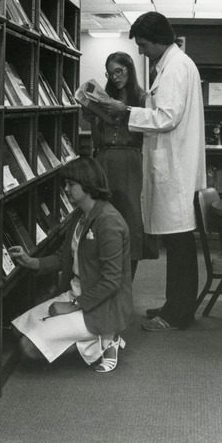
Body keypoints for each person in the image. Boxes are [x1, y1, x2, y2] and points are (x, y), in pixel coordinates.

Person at [101, 12, 206, 332]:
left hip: (175, 169)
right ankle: (174, 305)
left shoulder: (176, 68)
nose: (141, 51)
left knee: (180, 247)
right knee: (177, 246)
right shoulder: (175, 65)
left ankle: (178, 314)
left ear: (160, 39)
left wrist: (127, 111)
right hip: (174, 166)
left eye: (144, 45)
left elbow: (167, 118)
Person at [9, 156, 132, 373]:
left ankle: (105, 339)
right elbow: (63, 257)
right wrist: (31, 261)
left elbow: (112, 283)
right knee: (17, 330)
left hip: (102, 305)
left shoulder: (109, 221)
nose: (65, 188)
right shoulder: (80, 215)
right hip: (77, 293)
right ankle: (93, 339)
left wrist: (72, 306)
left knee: (28, 348)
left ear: (88, 184)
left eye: (70, 184)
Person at [82, 51, 151, 279]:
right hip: (104, 160)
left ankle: (126, 285)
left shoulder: (141, 98)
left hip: (129, 161)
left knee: (129, 219)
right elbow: (99, 137)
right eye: (110, 73)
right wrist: (91, 117)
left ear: (129, 69)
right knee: (103, 217)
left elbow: (147, 132)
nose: (114, 77)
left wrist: (126, 112)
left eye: (118, 71)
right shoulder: (104, 97)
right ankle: (103, 280)